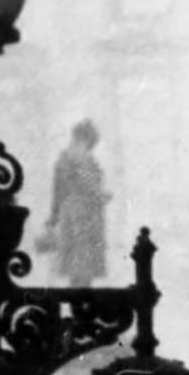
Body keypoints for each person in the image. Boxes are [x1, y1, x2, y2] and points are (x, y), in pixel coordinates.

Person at [40, 119, 110, 288]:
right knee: (83, 264)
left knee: (75, 266)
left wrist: (53, 217)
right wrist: (101, 195)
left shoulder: (63, 158)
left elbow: (57, 191)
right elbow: (89, 183)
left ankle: (78, 298)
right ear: (87, 138)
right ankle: (82, 301)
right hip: (84, 215)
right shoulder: (81, 156)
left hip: (69, 213)